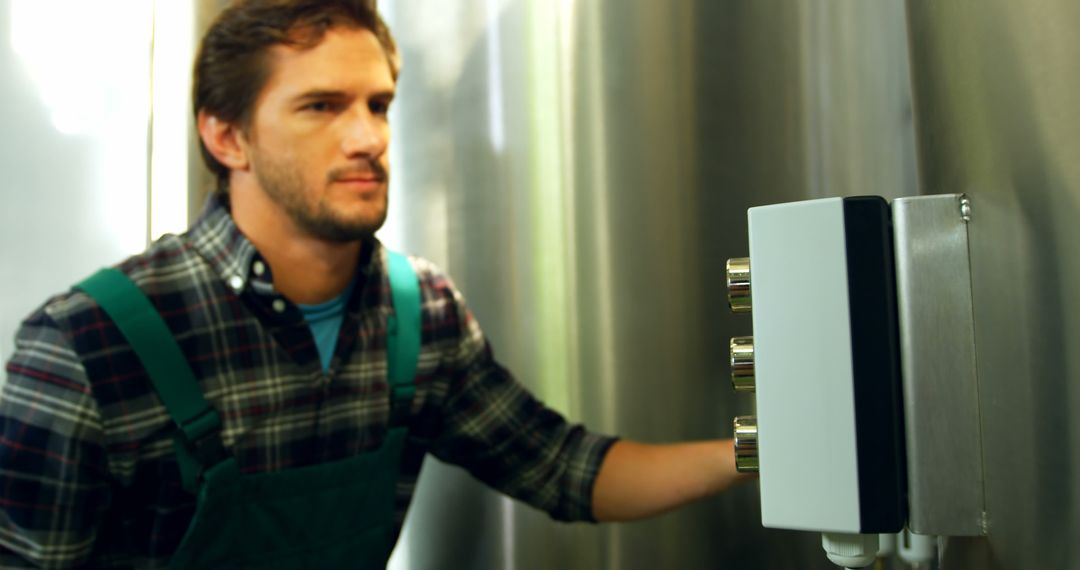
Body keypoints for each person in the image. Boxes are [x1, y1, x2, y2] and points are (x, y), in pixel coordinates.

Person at [0, 1, 748, 567]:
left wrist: (759, 452)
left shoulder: (419, 311)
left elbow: (565, 469)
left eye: (378, 105)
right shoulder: (85, 345)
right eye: (322, 106)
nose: (367, 137)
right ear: (227, 138)